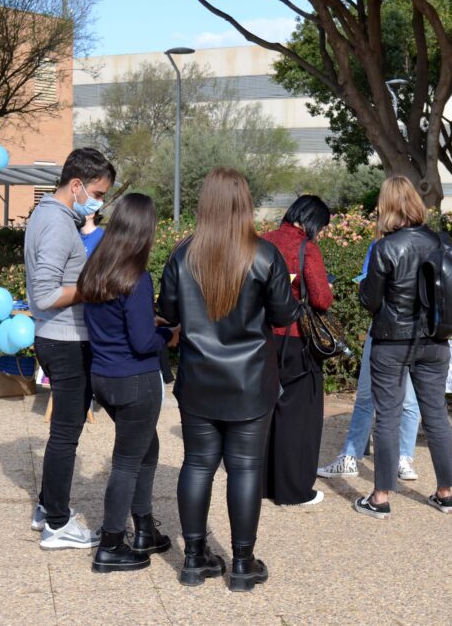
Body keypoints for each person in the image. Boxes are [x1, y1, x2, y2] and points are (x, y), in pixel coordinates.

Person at [158, 167, 299, 592]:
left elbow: (169, 312)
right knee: (245, 468)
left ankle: (193, 559)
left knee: (198, 463)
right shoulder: (265, 255)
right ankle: (242, 563)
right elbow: (283, 315)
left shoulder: (183, 255)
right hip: (251, 381)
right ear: (244, 204)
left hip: (200, 378)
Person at [78, 193, 179, 572]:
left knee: (146, 449)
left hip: (104, 376)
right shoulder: (136, 277)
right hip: (135, 380)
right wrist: (168, 337)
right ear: (144, 231)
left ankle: (144, 530)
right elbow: (140, 342)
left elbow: (114, 325)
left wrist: (147, 326)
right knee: (125, 463)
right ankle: (111, 544)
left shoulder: (97, 270)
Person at [24, 147, 115, 549]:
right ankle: (58, 524)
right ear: (75, 185)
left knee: (65, 433)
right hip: (65, 340)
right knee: (65, 436)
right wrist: (92, 289)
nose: (99, 201)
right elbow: (44, 294)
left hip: (55, 336)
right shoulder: (60, 226)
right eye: (97, 192)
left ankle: (47, 506)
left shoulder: (47, 215)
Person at [355, 176, 452, 520]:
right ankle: (445, 492)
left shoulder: (385, 247)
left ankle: (380, 497)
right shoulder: (440, 243)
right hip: (434, 339)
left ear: (387, 207)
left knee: (388, 415)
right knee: (437, 414)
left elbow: (370, 301)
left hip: (392, 341)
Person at [317, 244, 422, 481]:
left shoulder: (389, 246)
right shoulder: (399, 245)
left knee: (402, 398)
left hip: (396, 327)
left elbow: (368, 291)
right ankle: (357, 456)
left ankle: (400, 457)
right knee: (375, 396)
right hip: (400, 327)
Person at [261, 195, 333, 506]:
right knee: (298, 415)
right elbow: (321, 299)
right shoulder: (306, 248)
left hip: (261, 337)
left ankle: (263, 483)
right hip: (295, 337)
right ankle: (293, 490)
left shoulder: (262, 241)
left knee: (267, 412)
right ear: (311, 220)